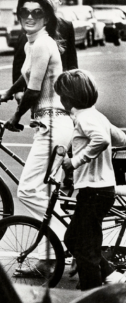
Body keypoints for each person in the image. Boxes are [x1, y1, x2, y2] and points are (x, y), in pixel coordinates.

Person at [0, 0, 74, 276]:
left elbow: (34, 88)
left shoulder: (42, 44)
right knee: (46, 193)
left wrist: (15, 117)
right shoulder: (34, 43)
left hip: (53, 125)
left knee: (28, 190)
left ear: (47, 16)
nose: (29, 17)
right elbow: (26, 77)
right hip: (51, 124)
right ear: (18, 15)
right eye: (24, 12)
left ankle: (70, 240)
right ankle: (47, 260)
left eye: (36, 12)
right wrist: (7, 92)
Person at [54, 69, 126, 291]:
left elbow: (102, 139)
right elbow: (120, 138)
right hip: (99, 190)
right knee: (73, 239)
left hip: (94, 192)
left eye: (61, 96)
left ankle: (92, 294)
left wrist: (75, 161)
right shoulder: (95, 116)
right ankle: (109, 274)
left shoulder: (85, 118)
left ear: (68, 98)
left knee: (85, 248)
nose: (60, 100)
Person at [12, 0, 78, 104]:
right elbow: (19, 60)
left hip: (60, 87)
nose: (49, 1)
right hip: (34, 85)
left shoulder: (66, 26)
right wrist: (17, 90)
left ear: (60, 1)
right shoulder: (31, 24)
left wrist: (74, 86)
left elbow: (71, 59)